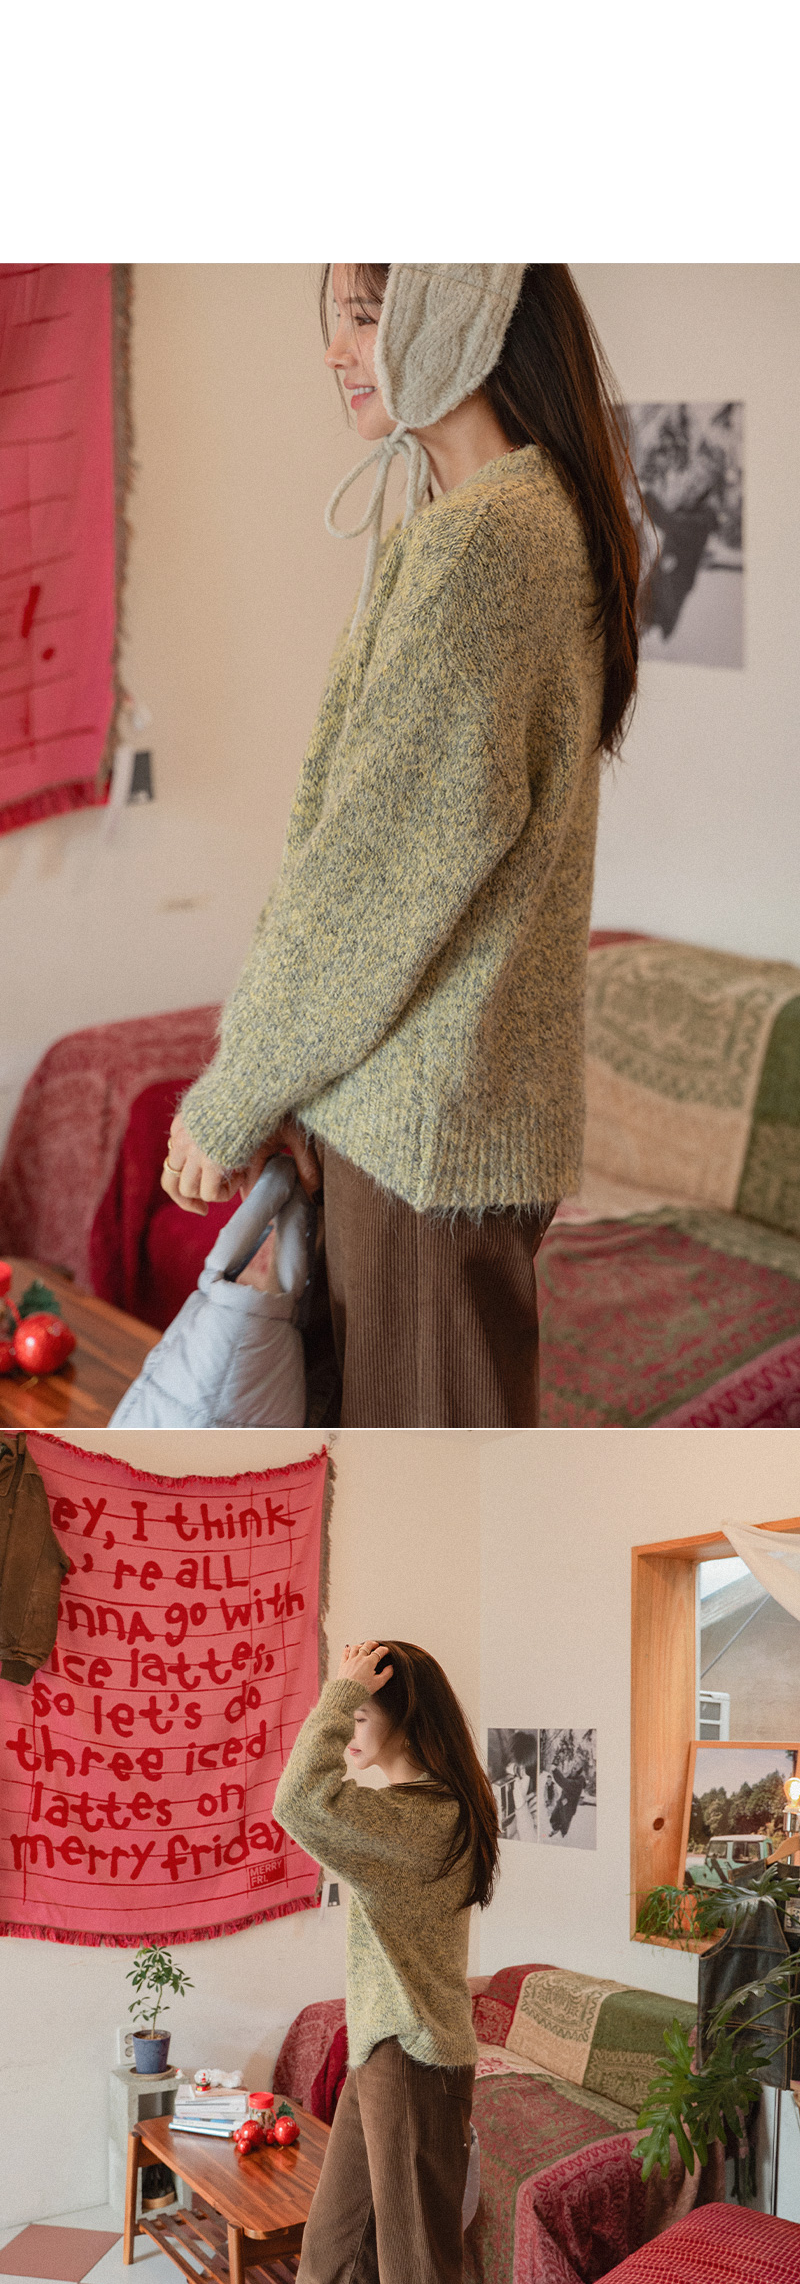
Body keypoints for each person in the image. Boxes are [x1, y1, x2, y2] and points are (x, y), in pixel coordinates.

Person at [163, 263, 643, 1430]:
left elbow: (371, 882)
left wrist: (235, 1093)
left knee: (432, 1482)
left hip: (426, 1149)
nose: (336, 351)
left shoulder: (486, 544)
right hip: (419, 1128)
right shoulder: (497, 521)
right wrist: (295, 1089)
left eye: (368, 316)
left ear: (462, 315)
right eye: (334, 318)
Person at [183, 1635, 502, 2284]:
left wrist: (334, 1693)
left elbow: (296, 1800)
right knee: (334, 2260)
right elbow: (315, 1800)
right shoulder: (407, 1813)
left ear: (405, 1719)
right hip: (382, 2057)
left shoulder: (426, 1819)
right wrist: (348, 1701)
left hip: (416, 2065)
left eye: (360, 1715)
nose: (347, 1730)